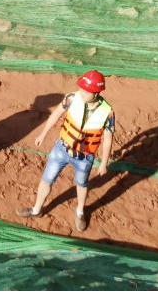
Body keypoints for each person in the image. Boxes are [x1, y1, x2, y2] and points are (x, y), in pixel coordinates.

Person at [16, 70, 115, 232]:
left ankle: (80, 211)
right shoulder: (71, 98)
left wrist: (104, 163)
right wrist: (43, 134)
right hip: (61, 149)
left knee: (82, 184)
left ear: (97, 92)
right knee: (47, 179)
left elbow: (108, 139)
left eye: (86, 90)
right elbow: (55, 115)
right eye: (81, 88)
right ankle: (36, 210)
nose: (82, 92)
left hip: (85, 157)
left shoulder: (107, 112)